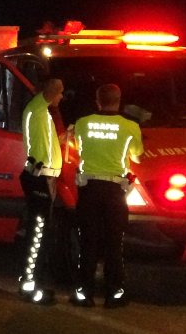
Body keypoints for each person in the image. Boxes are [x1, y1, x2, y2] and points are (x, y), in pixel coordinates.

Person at [71, 83, 143, 308]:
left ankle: (85, 293)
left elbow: (77, 147)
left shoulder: (83, 123)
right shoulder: (131, 127)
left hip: (89, 189)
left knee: (88, 242)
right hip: (115, 191)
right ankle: (115, 293)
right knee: (114, 243)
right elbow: (138, 156)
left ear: (97, 100)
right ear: (119, 100)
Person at [18, 78, 65, 305]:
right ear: (53, 92)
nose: (62, 97)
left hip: (43, 178)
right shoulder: (37, 109)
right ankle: (30, 287)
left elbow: (46, 143)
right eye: (60, 92)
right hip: (39, 179)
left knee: (39, 233)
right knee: (37, 234)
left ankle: (32, 280)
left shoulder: (42, 112)